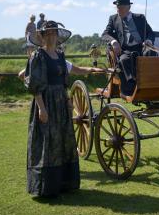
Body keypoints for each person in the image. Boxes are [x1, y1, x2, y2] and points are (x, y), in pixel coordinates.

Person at [24, 20, 105, 198]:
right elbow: (35, 85)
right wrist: (41, 109)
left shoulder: (60, 56)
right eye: (48, 33)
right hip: (46, 101)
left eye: (54, 33)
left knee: (63, 140)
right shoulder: (38, 56)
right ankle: (46, 187)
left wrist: (68, 99)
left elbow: (67, 77)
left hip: (61, 103)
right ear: (42, 36)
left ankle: (63, 183)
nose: (52, 36)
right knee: (48, 142)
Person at [102, 0, 155, 97]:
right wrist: (114, 42)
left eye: (121, 8)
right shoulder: (113, 19)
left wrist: (148, 41)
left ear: (129, 7)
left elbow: (151, 33)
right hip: (125, 49)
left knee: (150, 54)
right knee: (124, 60)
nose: (118, 10)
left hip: (141, 47)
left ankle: (150, 83)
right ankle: (131, 85)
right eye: (117, 7)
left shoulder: (140, 18)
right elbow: (105, 34)